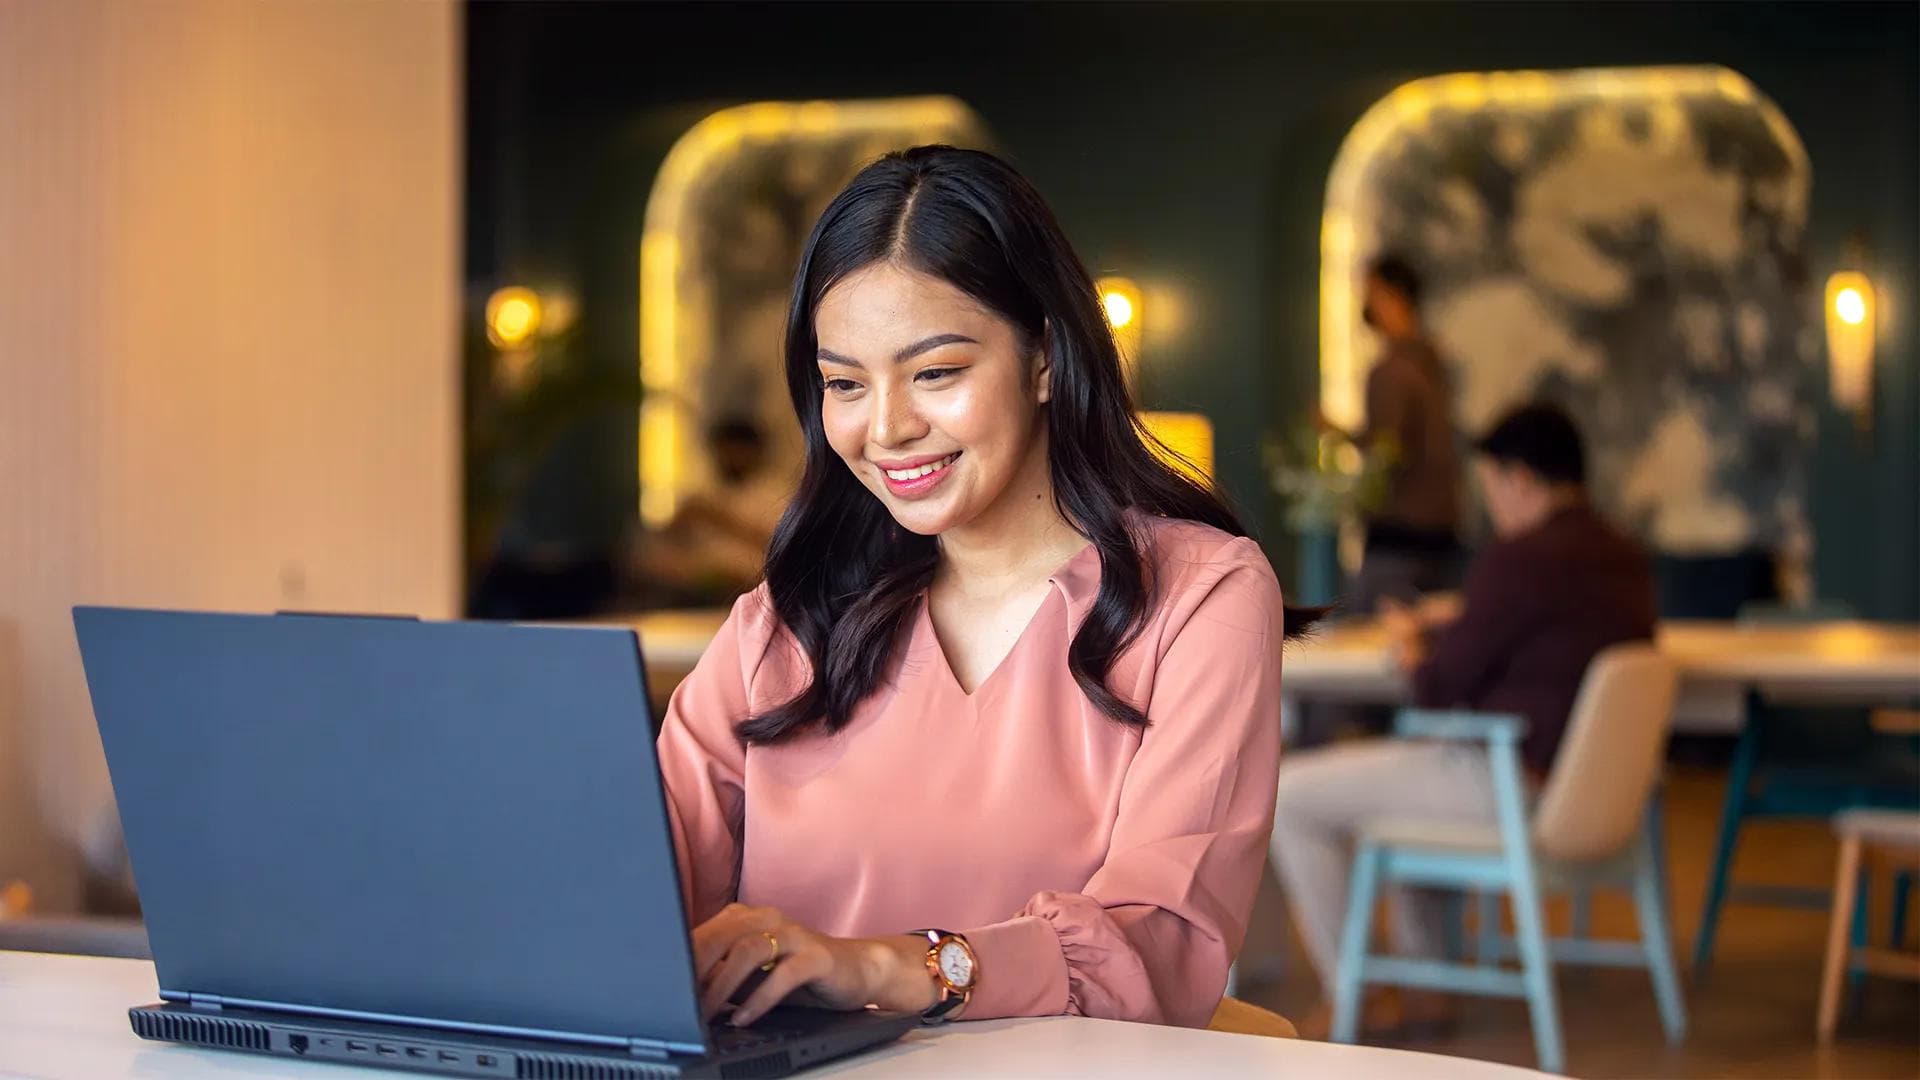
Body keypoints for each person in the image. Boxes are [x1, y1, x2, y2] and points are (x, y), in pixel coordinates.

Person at [656, 145, 1314, 1031]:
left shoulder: (1200, 597)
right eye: (845, 384)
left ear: (1044, 358)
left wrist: (885, 966)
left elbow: (1156, 950)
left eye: (936, 372)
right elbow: (637, 885)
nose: (886, 428)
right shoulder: (788, 619)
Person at [1270, 402, 1656, 1036]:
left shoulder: (1523, 558)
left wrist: (1417, 648)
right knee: (1407, 784)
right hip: (1582, 792)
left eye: (1494, 489)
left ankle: (1355, 991)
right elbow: (1544, 642)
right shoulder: (1623, 557)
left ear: (1521, 479)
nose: (1495, 507)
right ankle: (1424, 988)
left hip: (1508, 785)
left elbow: (1439, 689)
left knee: (1288, 795)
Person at [1322, 255, 1463, 614]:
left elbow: (1386, 453)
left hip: (1399, 540)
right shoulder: (1433, 363)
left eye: (1370, 292)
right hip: (1441, 535)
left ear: (1391, 295)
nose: (1364, 304)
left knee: (1370, 648)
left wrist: (1335, 433)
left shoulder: (1391, 371)